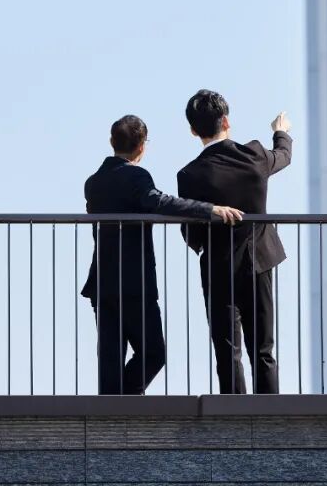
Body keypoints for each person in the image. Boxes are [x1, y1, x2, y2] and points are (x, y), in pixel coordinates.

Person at [81, 114, 243, 395]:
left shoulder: (93, 182)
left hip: (102, 282)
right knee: (153, 353)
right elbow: (158, 201)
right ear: (142, 146)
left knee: (110, 360)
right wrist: (209, 209)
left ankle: (110, 407)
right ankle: (124, 400)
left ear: (111, 142)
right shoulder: (137, 176)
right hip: (134, 282)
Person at [177, 90, 291, 394]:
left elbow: (191, 232)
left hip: (218, 266)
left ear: (193, 130)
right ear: (226, 121)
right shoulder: (254, 155)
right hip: (259, 261)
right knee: (263, 349)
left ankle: (233, 414)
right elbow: (284, 156)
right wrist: (280, 132)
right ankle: (270, 413)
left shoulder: (189, 175)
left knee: (227, 351)